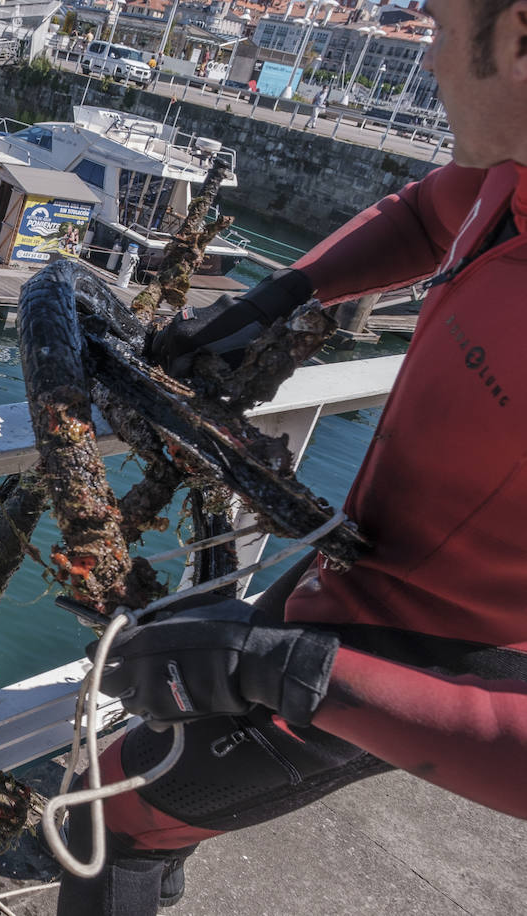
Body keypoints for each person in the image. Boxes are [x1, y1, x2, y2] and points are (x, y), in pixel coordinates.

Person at [55, 2, 527, 912]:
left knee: (104, 815)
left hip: (417, 671)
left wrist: (297, 673)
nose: (426, 60)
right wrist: (274, 300)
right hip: (348, 584)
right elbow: (427, 212)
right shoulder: (510, 180)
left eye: (435, 23)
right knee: (159, 758)